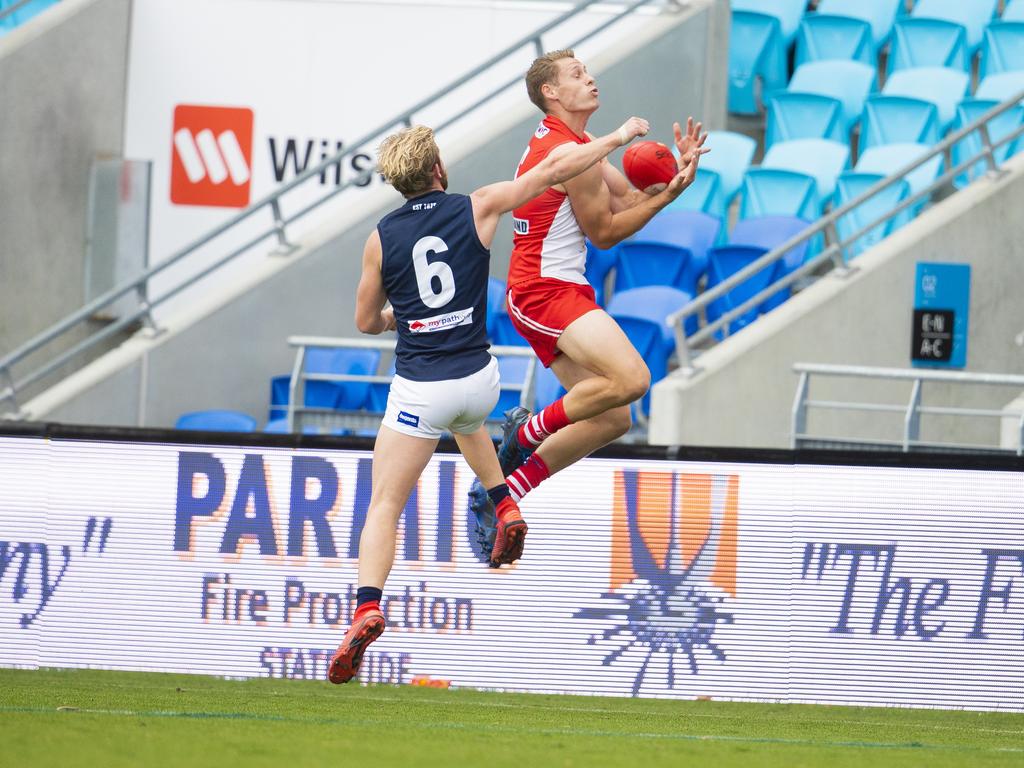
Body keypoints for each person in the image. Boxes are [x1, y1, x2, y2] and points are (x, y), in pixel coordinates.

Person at [327, 115, 654, 684]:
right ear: (438, 168)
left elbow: (363, 321)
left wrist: (394, 316)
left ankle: (367, 606)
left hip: (420, 387)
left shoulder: (380, 238)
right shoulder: (476, 204)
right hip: (480, 378)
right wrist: (618, 139)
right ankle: (503, 501)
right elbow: (554, 169)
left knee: (384, 504)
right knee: (468, 418)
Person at [469, 49, 709, 552]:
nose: (592, 79)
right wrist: (664, 196)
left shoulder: (578, 145)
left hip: (547, 289)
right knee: (634, 379)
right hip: (543, 290)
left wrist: (675, 179)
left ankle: (507, 491)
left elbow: (626, 203)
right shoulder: (572, 152)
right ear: (550, 93)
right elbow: (604, 233)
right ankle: (525, 431)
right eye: (578, 75)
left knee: (614, 416)